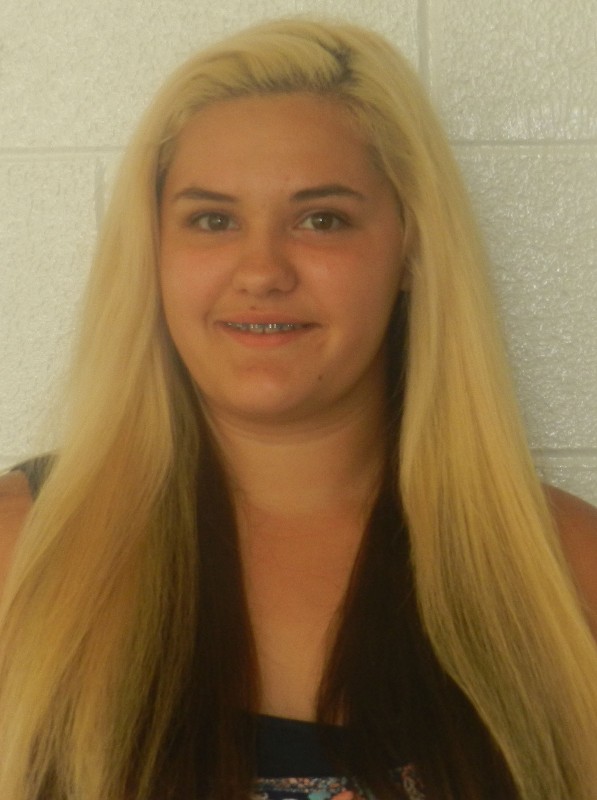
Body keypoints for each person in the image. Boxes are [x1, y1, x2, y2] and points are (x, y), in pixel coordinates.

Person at [0, 17, 596, 800]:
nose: (261, 271)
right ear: (153, 251)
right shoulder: (22, 552)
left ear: (411, 248)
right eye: (212, 219)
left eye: (322, 219)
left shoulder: (565, 569)